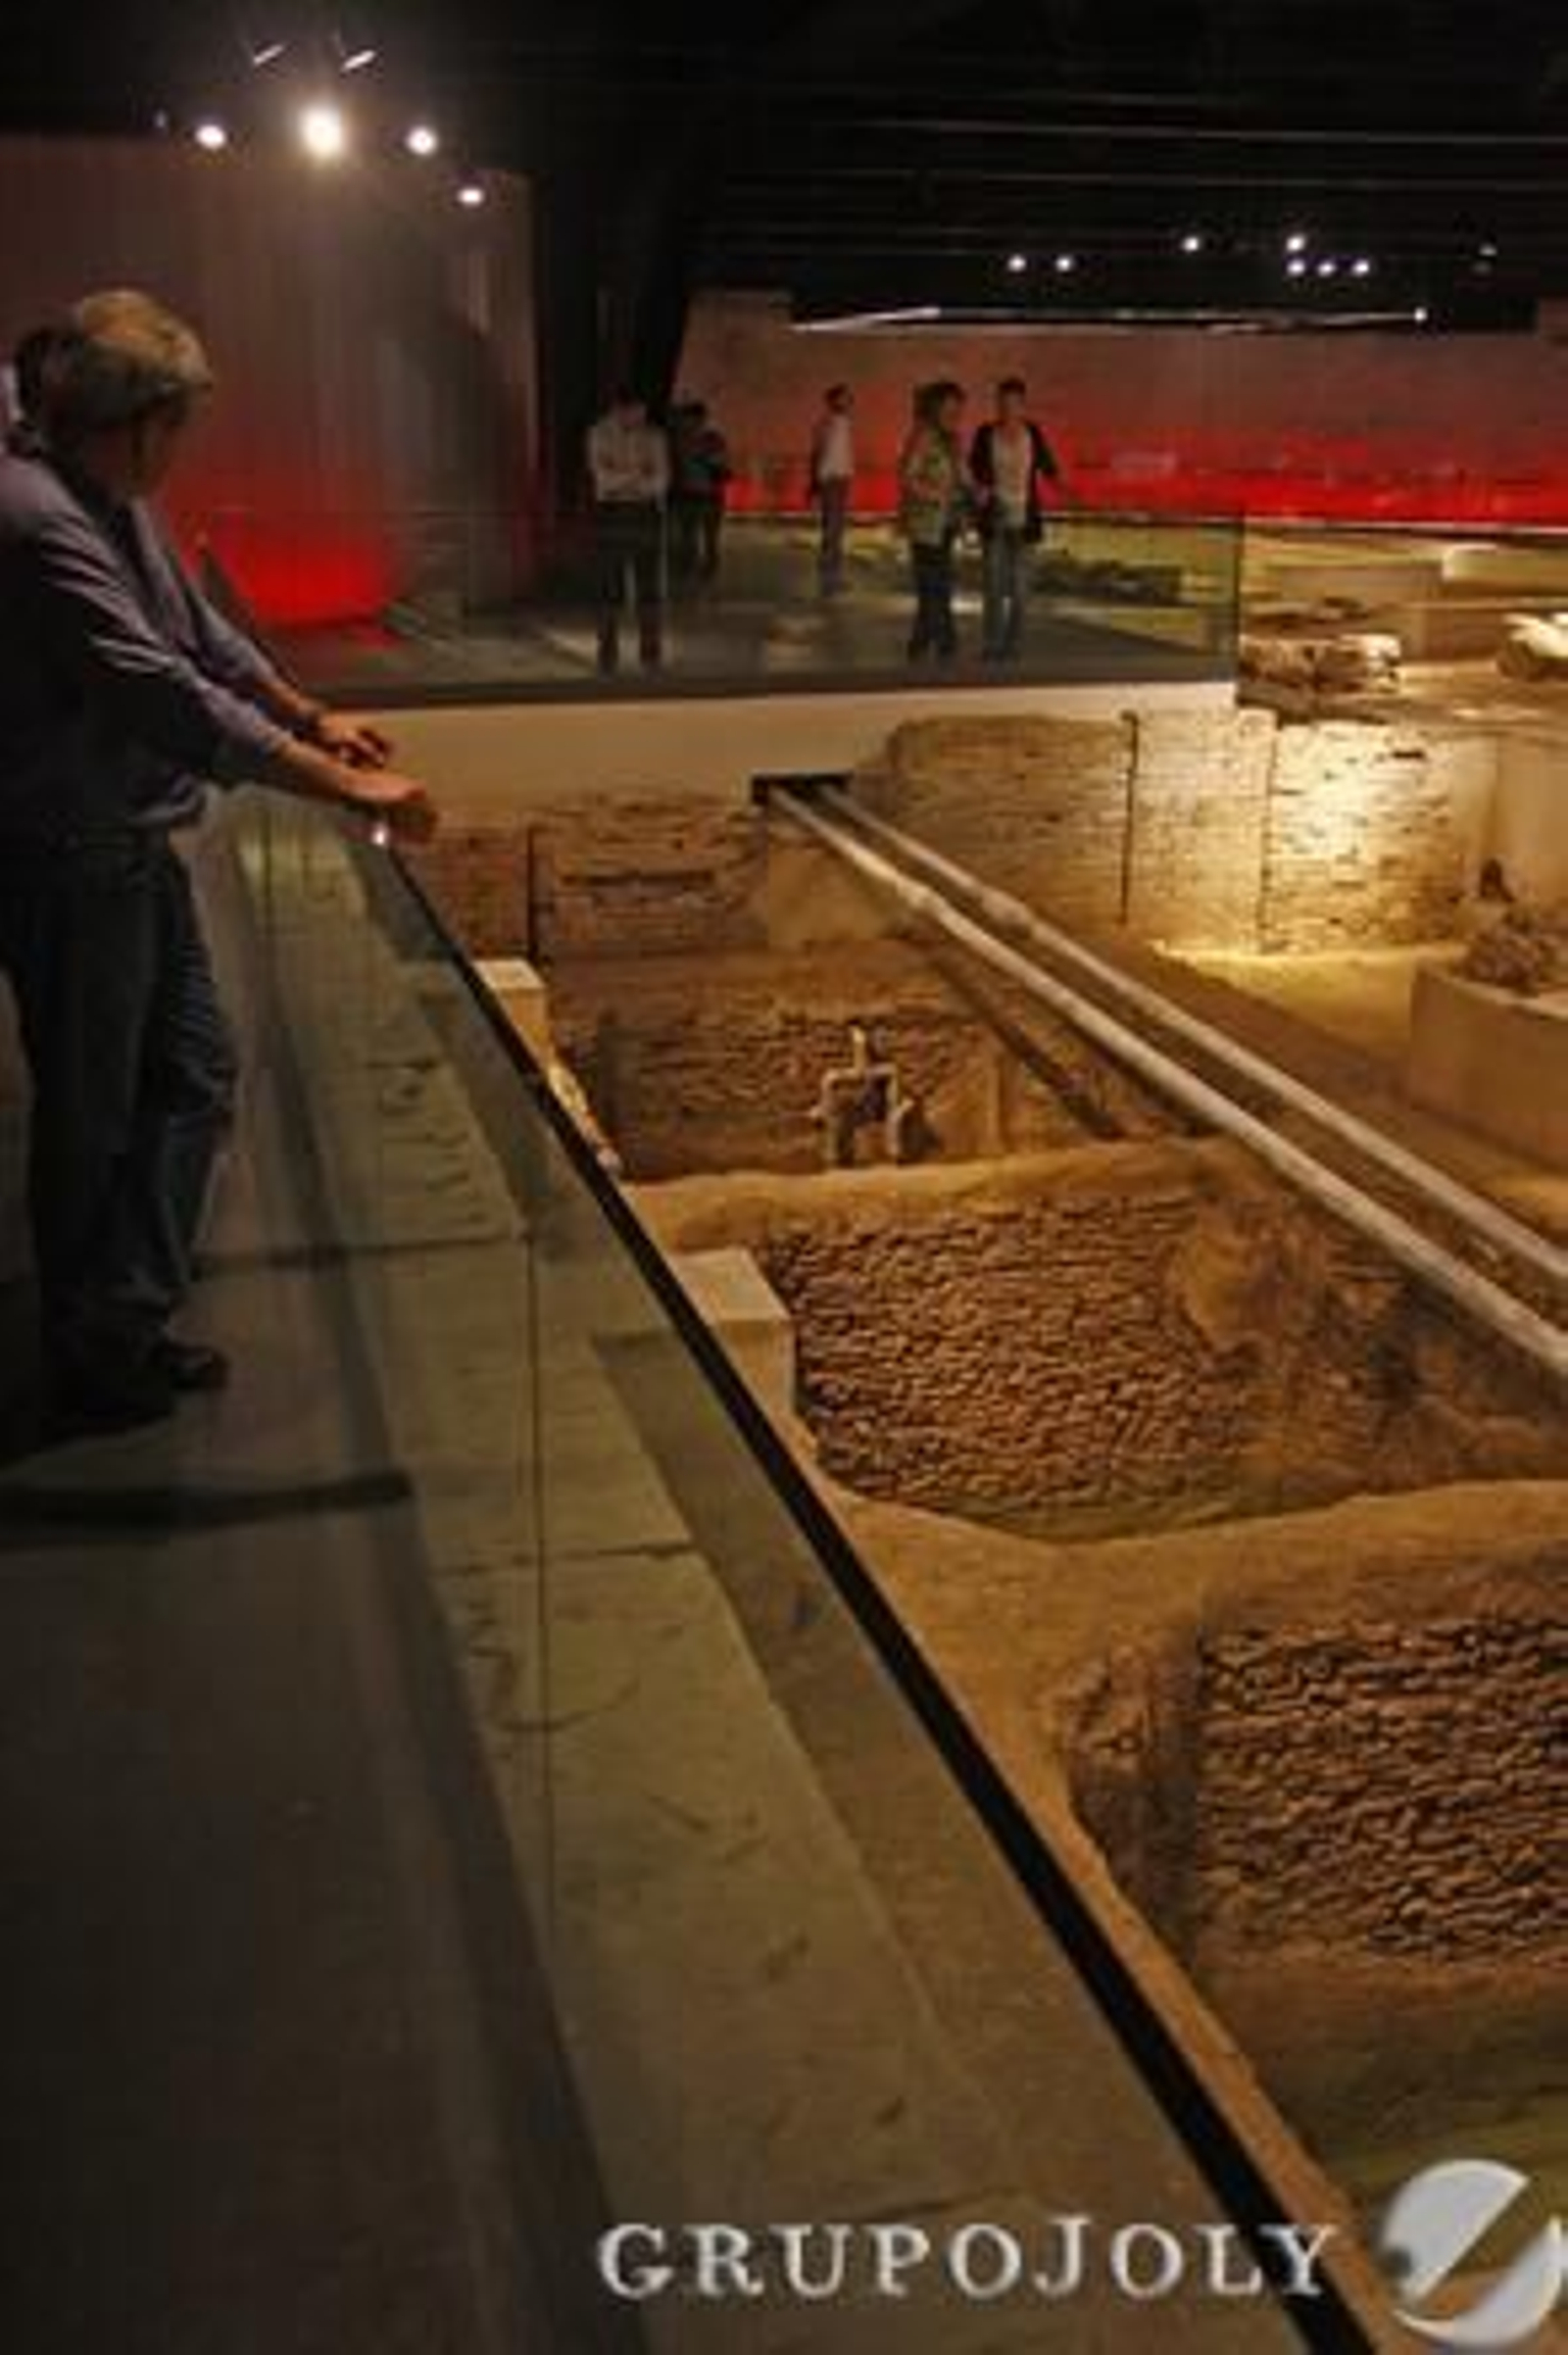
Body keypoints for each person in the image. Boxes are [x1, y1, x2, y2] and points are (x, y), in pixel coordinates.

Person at [0, 289, 436, 1429]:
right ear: (137, 421)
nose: (181, 448)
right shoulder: (39, 517)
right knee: (93, 1110)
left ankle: (121, 1316)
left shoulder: (106, 495)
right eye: (179, 425)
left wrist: (304, 707)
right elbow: (159, 692)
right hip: (72, 854)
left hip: (131, 848)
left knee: (189, 1073)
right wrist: (339, 782)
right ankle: (90, 1347)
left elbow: (194, 627)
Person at [969, 376, 1062, 662]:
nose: (1007, 409)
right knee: (993, 587)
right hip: (995, 519)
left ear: (1023, 406)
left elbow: (1048, 467)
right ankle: (992, 644)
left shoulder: (1033, 432)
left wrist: (1069, 490)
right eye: (1002, 403)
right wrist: (979, 492)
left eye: (1013, 404)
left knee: (1021, 590)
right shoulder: (985, 433)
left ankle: (1014, 644)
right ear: (997, 404)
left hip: (1025, 520)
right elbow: (975, 468)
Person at [586, 387, 670, 673]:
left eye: (643, 411)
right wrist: (638, 476)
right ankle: (607, 650)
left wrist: (622, 479)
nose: (641, 416)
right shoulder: (599, 433)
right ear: (620, 409)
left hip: (646, 515)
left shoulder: (654, 436)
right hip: (611, 516)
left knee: (649, 586)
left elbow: (661, 481)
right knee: (609, 586)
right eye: (636, 411)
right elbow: (602, 480)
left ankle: (651, 651)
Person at [898, 380, 968, 662]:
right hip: (925, 524)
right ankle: (942, 642)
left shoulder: (953, 439)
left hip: (947, 523)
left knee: (939, 584)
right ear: (936, 407)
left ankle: (925, 642)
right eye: (950, 406)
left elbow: (963, 475)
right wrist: (935, 494)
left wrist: (978, 491)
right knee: (932, 586)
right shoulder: (923, 436)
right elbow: (907, 476)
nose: (955, 412)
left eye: (959, 407)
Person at [668, 399, 732, 590]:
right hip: (689, 495)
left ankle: (706, 574)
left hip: (709, 495)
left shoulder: (712, 439)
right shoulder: (678, 441)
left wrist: (708, 459)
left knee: (708, 538)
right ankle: (690, 571)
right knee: (689, 536)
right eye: (687, 420)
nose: (690, 424)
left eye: (693, 419)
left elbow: (722, 467)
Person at [809, 383, 855, 595]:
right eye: (845, 398)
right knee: (833, 528)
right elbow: (817, 452)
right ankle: (829, 574)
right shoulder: (826, 423)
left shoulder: (845, 422)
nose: (849, 401)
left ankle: (832, 572)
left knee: (836, 527)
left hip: (842, 478)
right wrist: (815, 481)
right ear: (834, 400)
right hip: (831, 479)